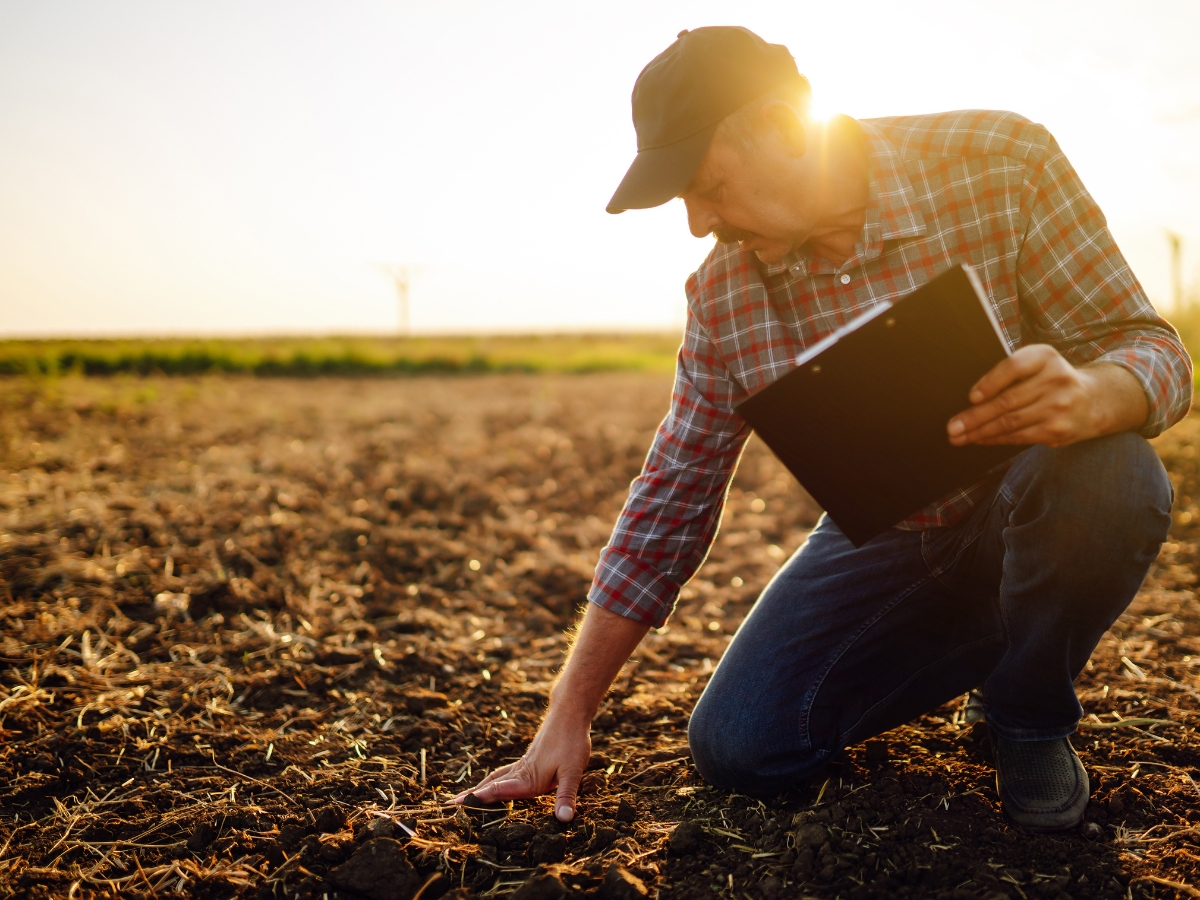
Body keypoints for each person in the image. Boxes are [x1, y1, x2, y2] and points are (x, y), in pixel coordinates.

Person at [458, 26, 1191, 832]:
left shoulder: (1000, 162)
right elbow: (672, 496)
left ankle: (1025, 711)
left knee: (1114, 475)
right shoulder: (725, 295)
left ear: (778, 125)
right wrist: (569, 713)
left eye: (708, 184)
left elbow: (1150, 347)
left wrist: (1097, 392)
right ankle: (1003, 635)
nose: (699, 223)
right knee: (739, 748)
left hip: (1040, 492)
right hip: (888, 535)